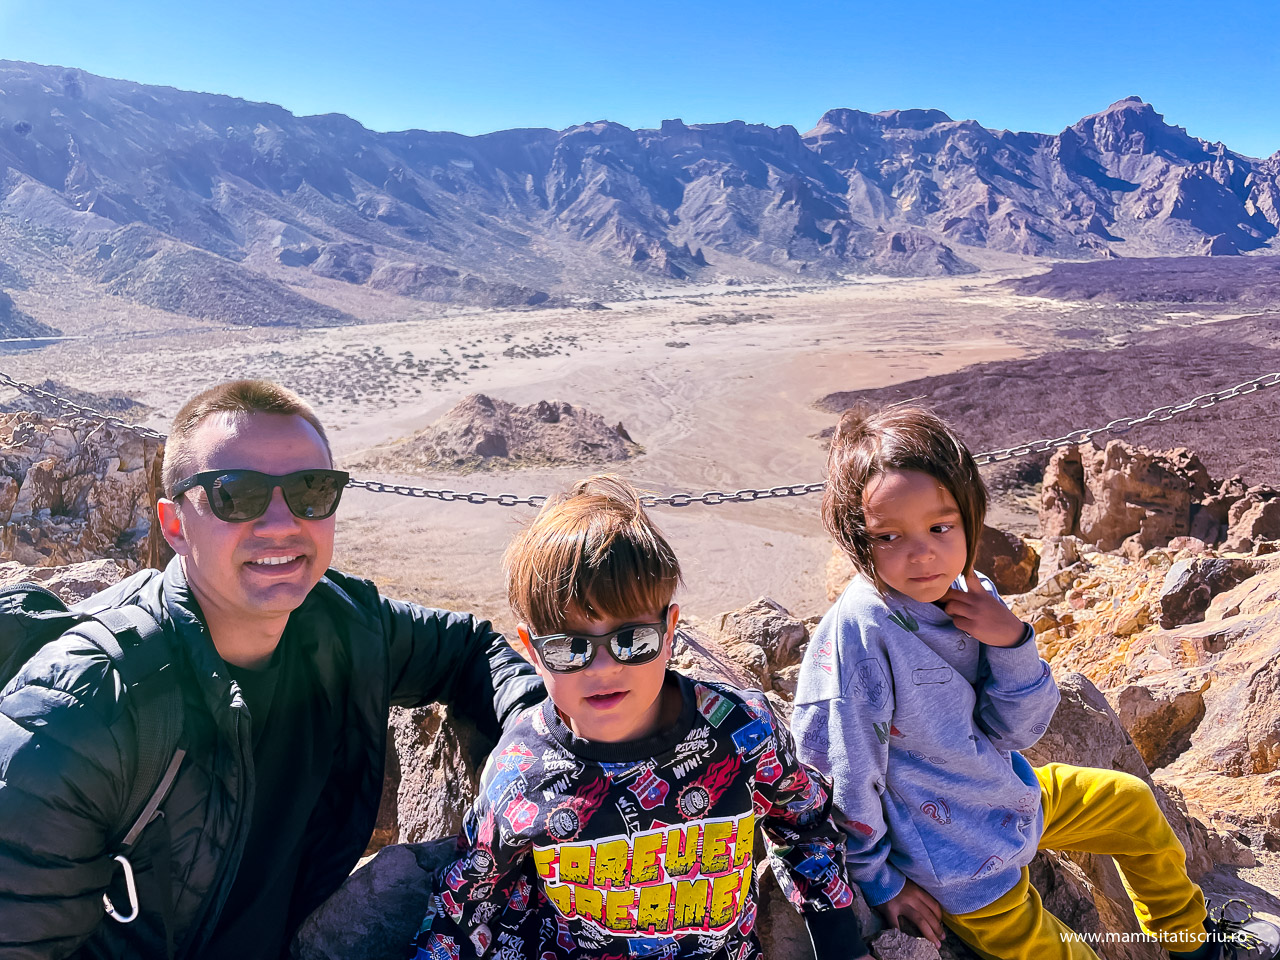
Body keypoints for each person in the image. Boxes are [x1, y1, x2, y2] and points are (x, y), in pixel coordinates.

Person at [0, 380, 544, 960]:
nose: (283, 524)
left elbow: (469, 648)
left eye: (311, 491)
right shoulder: (84, 708)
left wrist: (543, 751)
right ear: (175, 524)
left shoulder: (345, 624)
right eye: (236, 495)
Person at [791, 404, 1280, 960]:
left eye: (940, 527)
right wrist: (879, 880)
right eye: (887, 536)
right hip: (955, 861)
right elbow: (838, 771)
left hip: (1007, 798)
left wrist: (1012, 642)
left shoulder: (971, 596)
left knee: (1132, 806)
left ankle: (1193, 944)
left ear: (971, 518)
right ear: (856, 537)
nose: (922, 551)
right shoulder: (860, 635)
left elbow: (1017, 729)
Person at [409, 475, 869, 960]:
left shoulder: (740, 730)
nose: (604, 668)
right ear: (533, 652)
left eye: (632, 640)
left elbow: (804, 819)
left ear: (670, 630)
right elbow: (467, 900)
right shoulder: (522, 773)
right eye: (570, 647)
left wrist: (838, 936)